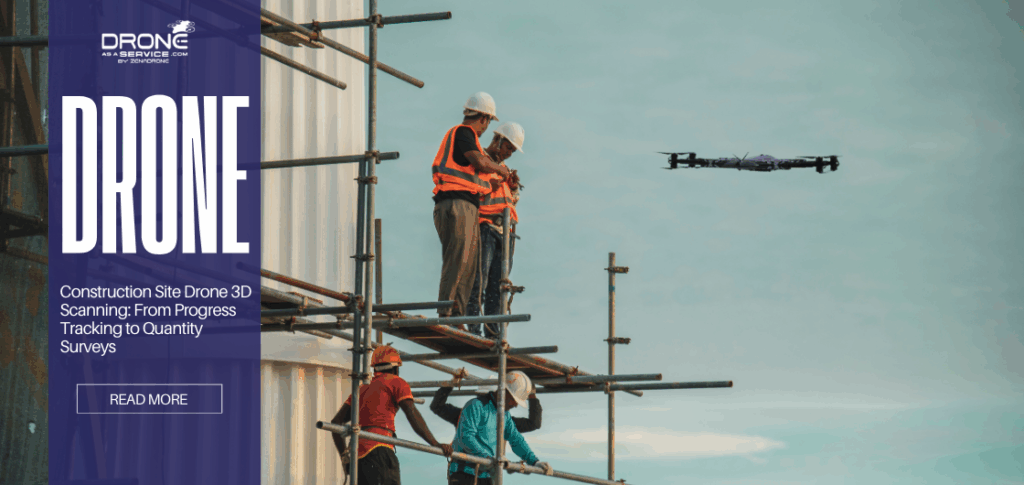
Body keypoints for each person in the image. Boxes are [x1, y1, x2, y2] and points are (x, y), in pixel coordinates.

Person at [432, 92, 511, 322]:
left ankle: (457, 316)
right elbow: (479, 162)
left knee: (468, 266)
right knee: (458, 260)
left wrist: (494, 181)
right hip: (456, 204)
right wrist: (499, 169)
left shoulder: (468, 141)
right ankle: (447, 313)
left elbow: (474, 177)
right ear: (485, 118)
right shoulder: (463, 132)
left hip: (464, 205)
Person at [330, 345, 453, 485]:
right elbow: (412, 413)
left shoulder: (361, 390)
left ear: (374, 368)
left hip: (359, 458)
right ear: (396, 368)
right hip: (380, 451)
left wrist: (345, 458)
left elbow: (335, 424)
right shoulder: (396, 382)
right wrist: (435, 443)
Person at [466, 122, 525, 338]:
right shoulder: (480, 160)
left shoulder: (502, 169)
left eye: (512, 150)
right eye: (508, 147)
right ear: (497, 140)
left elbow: (510, 201)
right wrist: (499, 178)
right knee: (478, 281)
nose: (509, 153)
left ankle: (493, 334)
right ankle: (473, 329)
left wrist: (513, 188)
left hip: (504, 232)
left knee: (497, 288)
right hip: (485, 227)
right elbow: (474, 189)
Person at [448, 371, 553, 484]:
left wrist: (534, 462)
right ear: (504, 391)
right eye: (514, 399)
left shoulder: (504, 415)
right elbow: (466, 437)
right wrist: (488, 459)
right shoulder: (476, 406)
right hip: (464, 474)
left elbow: (516, 439)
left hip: (485, 474)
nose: (516, 405)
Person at [430, 373, 542, 433]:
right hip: (468, 471)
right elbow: (437, 407)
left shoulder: (503, 422)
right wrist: (532, 396)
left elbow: (533, 424)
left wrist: (531, 396)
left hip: (487, 473)